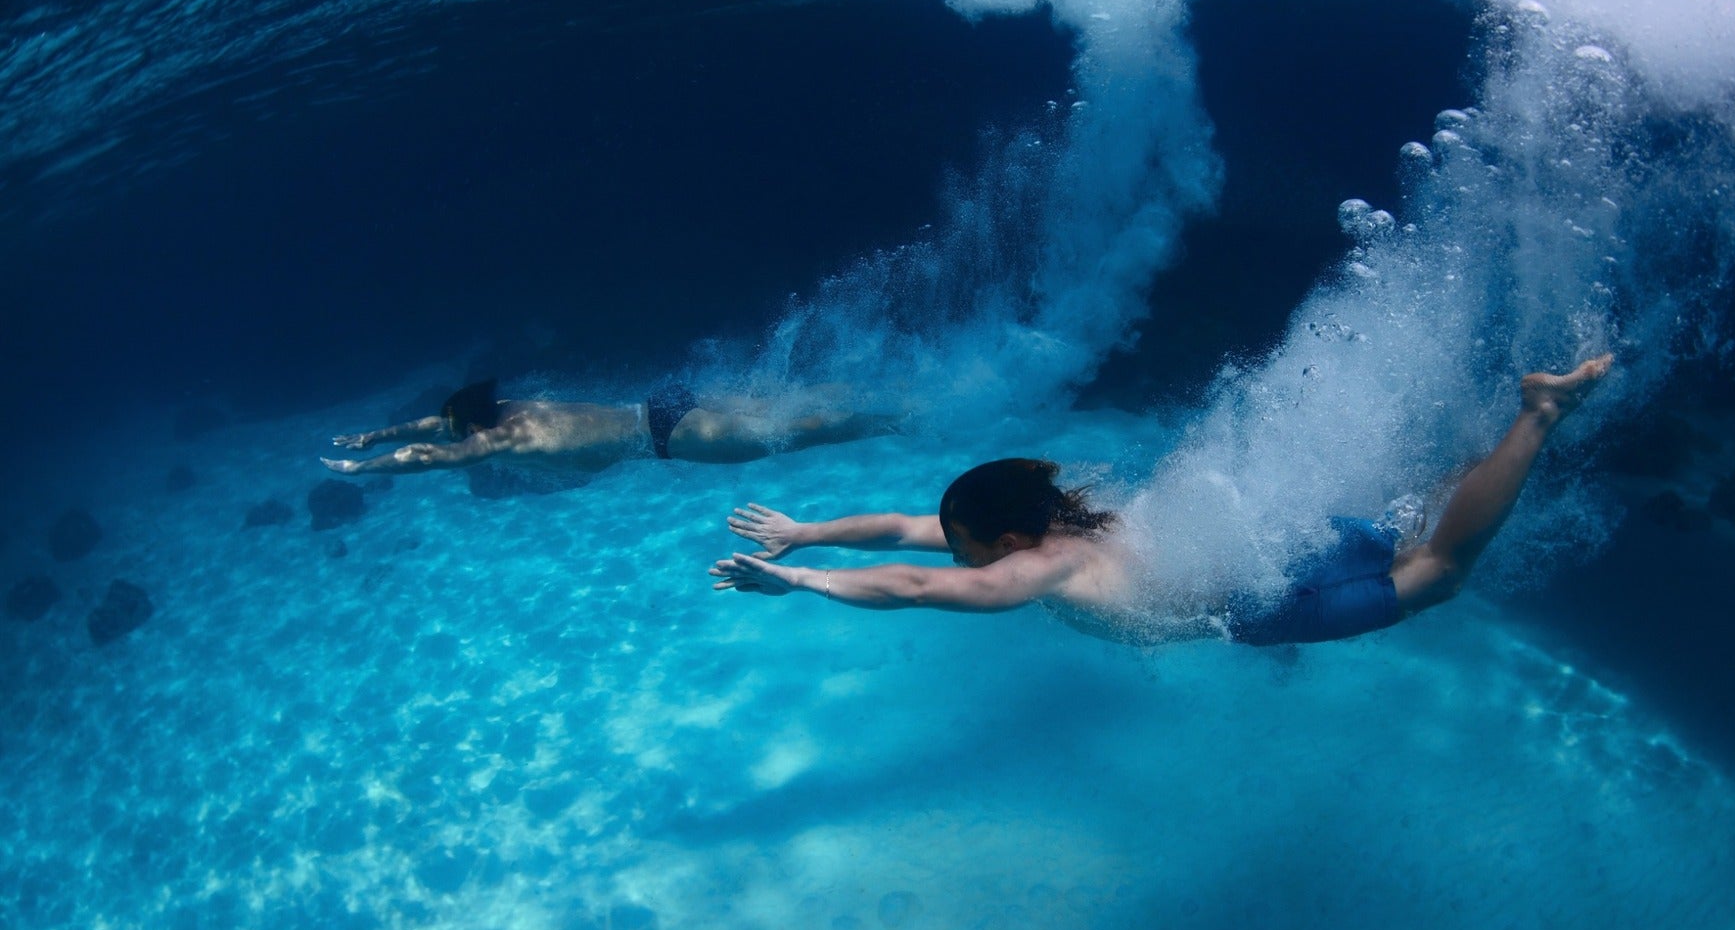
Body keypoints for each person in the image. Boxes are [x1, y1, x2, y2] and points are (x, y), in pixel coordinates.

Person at [709, 356, 1613, 646]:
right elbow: (908, 530)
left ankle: (1537, 418)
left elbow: (921, 585)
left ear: (1013, 540)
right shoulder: (1061, 507)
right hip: (1270, 541)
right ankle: (1487, 448)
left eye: (966, 545)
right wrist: (809, 531)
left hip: (1263, 599)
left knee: (1439, 573)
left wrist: (809, 585)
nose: (953, 552)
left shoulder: (1045, 562)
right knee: (1407, 529)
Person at [323, 379, 893, 476]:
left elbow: (429, 454)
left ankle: (895, 417)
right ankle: (877, 386)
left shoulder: (502, 439)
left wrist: (363, 466)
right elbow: (435, 426)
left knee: (797, 432)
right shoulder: (508, 407)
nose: (451, 434)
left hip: (671, 436)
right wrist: (377, 434)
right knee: (782, 403)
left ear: (470, 427)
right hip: (664, 402)